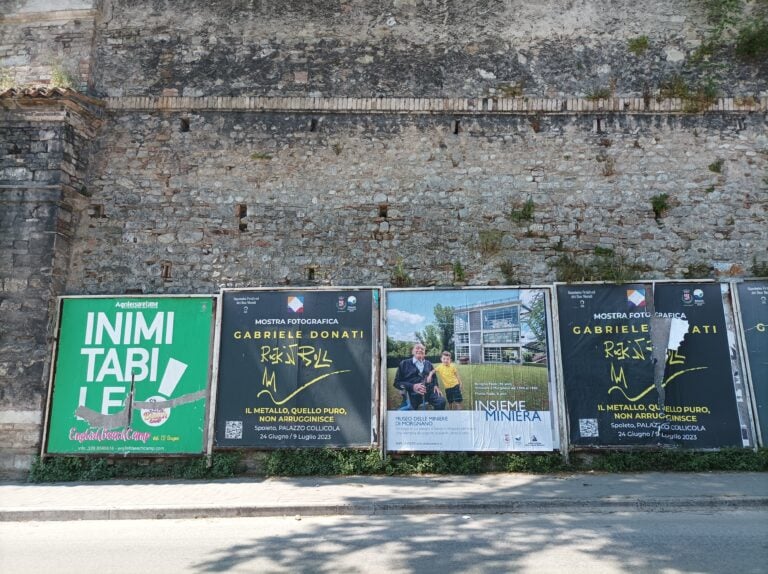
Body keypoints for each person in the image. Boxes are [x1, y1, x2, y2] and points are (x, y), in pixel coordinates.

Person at [393, 343, 446, 410]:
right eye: (417, 348)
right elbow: (397, 383)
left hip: (429, 392)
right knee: (410, 411)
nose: (420, 350)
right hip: (412, 394)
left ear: (424, 353)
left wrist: (435, 385)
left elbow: (434, 376)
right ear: (412, 351)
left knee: (441, 402)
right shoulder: (404, 363)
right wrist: (412, 386)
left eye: (422, 349)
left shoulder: (428, 363)